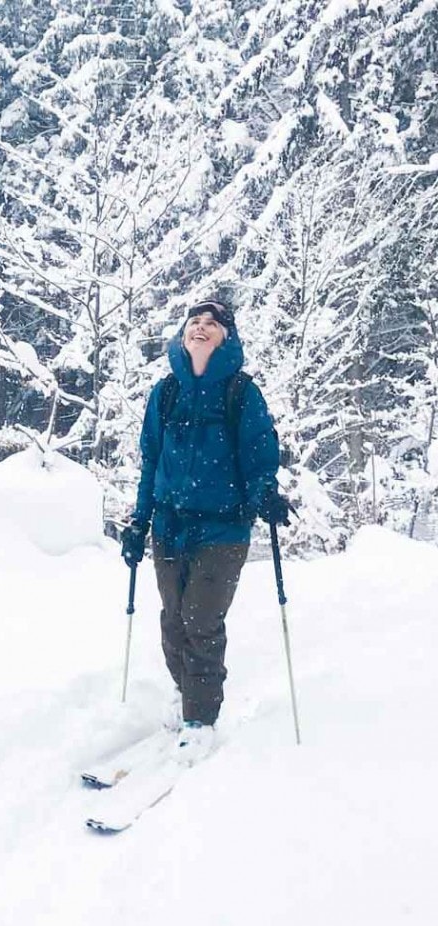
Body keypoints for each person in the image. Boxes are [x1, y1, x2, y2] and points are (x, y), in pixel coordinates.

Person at [121, 298, 290, 757]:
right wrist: (139, 521)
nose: (200, 328)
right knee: (173, 620)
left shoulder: (239, 392)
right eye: (194, 322)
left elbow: (258, 454)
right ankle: (184, 691)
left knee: (201, 620)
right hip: (169, 526)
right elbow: (150, 461)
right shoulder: (165, 393)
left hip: (223, 528)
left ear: (226, 338)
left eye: (211, 324)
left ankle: (200, 718)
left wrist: (265, 495)